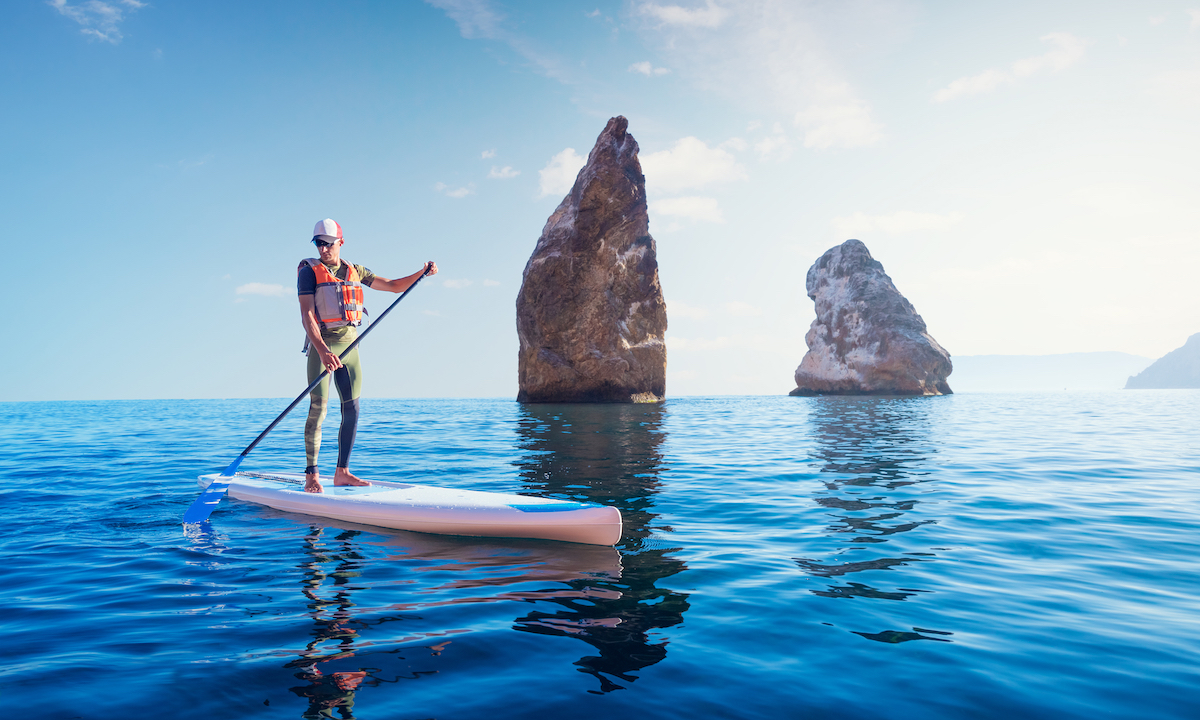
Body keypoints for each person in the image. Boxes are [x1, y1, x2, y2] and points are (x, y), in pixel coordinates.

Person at [298, 218, 437, 493]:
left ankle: (342, 472)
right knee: (319, 409)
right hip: (323, 346)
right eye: (319, 243)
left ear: (341, 242)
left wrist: (420, 274)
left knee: (352, 409)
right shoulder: (309, 272)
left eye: (328, 243)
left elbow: (394, 285)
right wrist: (323, 351)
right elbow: (307, 315)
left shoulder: (355, 270)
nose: (324, 249)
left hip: (351, 348)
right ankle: (312, 474)